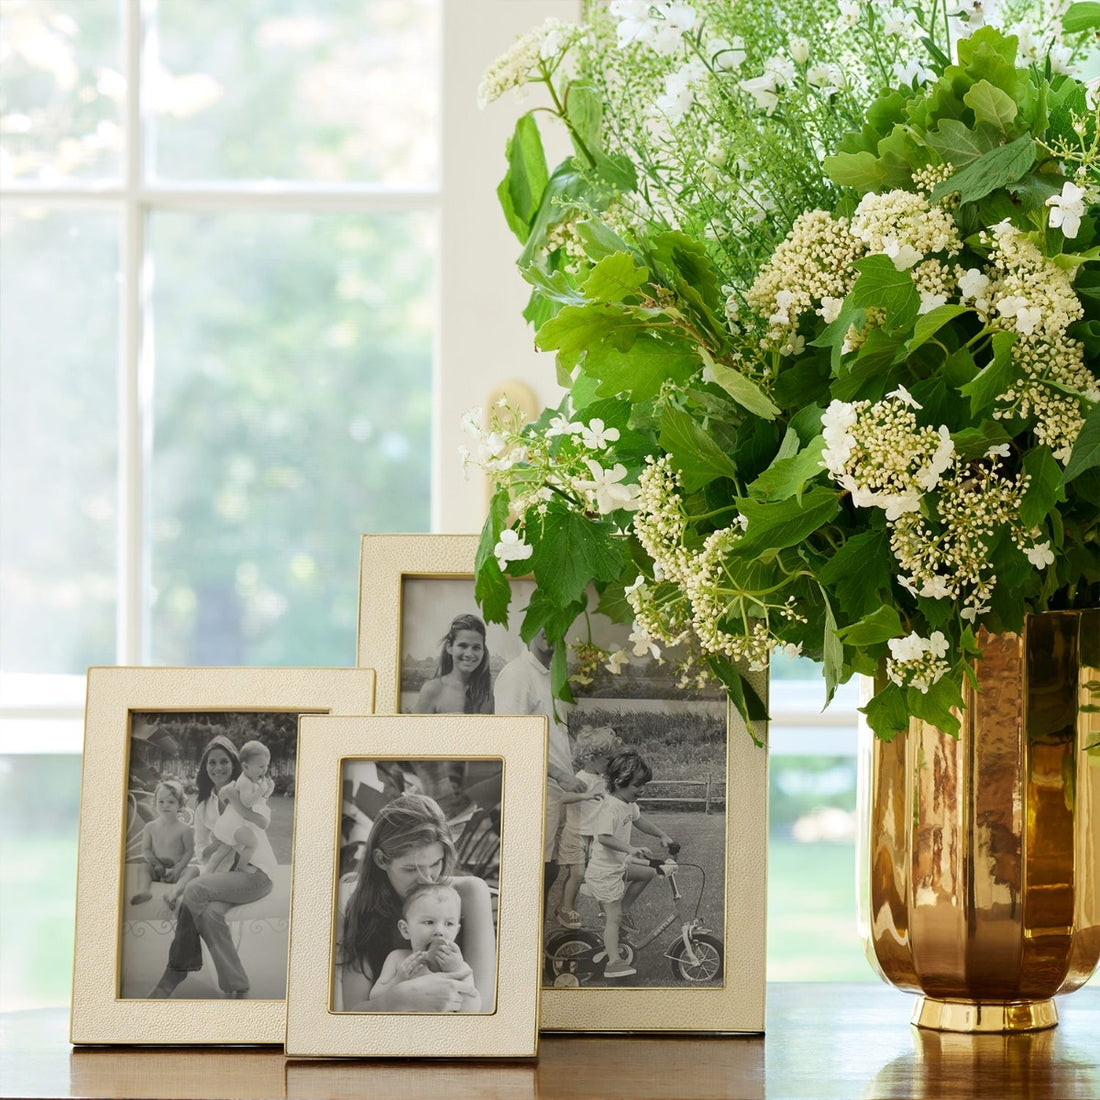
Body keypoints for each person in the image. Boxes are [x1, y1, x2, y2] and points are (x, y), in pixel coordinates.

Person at [339, 793, 495, 1013]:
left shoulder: (469, 894)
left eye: (435, 864)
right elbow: (353, 1010)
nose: (427, 879)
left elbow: (484, 1006)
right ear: (381, 860)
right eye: (411, 869)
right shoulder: (364, 907)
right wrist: (397, 999)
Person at [148, 734, 276, 999]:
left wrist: (221, 842)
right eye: (212, 763)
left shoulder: (247, 789)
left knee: (194, 891)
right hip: (224, 877)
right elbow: (200, 851)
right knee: (208, 915)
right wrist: (216, 846)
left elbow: (261, 820)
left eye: (224, 762)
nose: (218, 768)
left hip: (256, 873)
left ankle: (175, 971)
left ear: (236, 764)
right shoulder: (204, 806)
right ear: (206, 768)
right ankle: (237, 984)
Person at [493, 627, 587, 907]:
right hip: (531, 787)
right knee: (535, 869)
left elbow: (555, 736)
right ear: (528, 631)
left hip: (554, 791)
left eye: (557, 624)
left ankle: (537, 941)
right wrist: (559, 774)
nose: (550, 630)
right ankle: (527, 943)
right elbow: (510, 739)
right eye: (542, 624)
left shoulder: (553, 676)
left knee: (549, 866)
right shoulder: (516, 675)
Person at [584, 748, 674, 979]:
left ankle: (625, 909)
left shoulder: (627, 804)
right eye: (637, 785)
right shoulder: (610, 806)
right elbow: (604, 837)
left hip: (618, 867)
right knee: (612, 919)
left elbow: (640, 821)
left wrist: (662, 835)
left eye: (643, 785)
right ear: (618, 782)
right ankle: (614, 962)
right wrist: (631, 849)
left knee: (647, 873)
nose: (641, 790)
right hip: (604, 873)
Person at [370, 882, 480, 1011]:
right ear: (406, 930)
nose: (439, 931)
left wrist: (456, 972)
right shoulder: (398, 959)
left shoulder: (460, 967)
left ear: (457, 931)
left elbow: (472, 1009)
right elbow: (374, 997)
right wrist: (398, 982)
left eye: (449, 924)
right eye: (429, 922)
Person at [553, 726, 621, 929]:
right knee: (578, 873)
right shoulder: (581, 778)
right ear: (591, 758)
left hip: (594, 836)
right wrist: (584, 795)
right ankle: (566, 910)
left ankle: (604, 909)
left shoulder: (603, 780)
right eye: (607, 760)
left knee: (597, 873)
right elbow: (562, 797)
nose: (610, 764)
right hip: (576, 834)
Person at [203, 739, 274, 875]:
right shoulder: (244, 782)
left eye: (266, 766)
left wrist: (268, 790)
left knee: (222, 851)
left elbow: (260, 800)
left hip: (230, 823)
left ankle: (207, 873)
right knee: (252, 843)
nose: (264, 770)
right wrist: (260, 790)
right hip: (233, 824)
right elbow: (246, 803)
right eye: (260, 766)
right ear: (246, 767)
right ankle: (241, 866)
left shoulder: (251, 779)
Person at [412, 613, 494, 714]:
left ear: (483, 651)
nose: (469, 654)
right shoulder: (432, 690)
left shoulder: (487, 694)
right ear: (450, 647)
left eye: (476, 647)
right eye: (463, 646)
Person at [129, 779, 194, 906]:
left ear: (180, 805)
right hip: (157, 870)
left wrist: (179, 868)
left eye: (171, 802)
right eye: (161, 802)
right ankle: (144, 891)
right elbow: (146, 850)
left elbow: (189, 852)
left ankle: (173, 893)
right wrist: (156, 864)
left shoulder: (185, 829)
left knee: (194, 871)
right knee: (143, 867)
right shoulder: (150, 827)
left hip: (176, 871)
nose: (165, 805)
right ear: (155, 803)